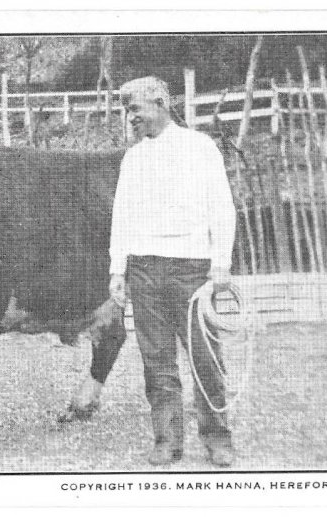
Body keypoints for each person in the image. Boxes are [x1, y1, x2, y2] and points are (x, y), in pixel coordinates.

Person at [108, 76, 238, 467]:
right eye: (127, 110)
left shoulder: (200, 148)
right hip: (144, 270)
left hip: (191, 269)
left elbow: (222, 205)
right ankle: (167, 440)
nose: (131, 117)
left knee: (203, 355)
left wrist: (222, 263)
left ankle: (217, 437)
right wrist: (118, 270)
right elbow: (122, 216)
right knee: (156, 359)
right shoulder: (134, 157)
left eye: (136, 109)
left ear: (162, 103)